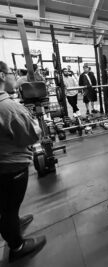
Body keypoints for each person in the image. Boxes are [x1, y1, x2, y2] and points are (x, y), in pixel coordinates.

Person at [0, 61, 46, 262]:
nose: (14, 77)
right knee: (7, 209)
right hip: (11, 166)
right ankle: (17, 247)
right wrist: (34, 123)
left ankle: (14, 220)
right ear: (2, 76)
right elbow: (32, 136)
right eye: (11, 73)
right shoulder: (8, 107)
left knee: (7, 206)